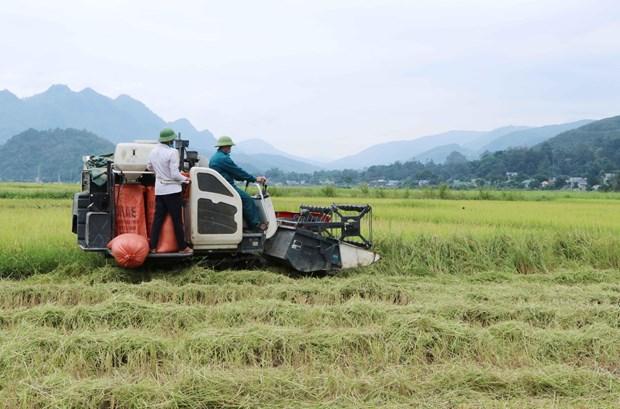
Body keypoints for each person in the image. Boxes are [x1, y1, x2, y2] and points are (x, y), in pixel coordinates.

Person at [147, 128, 193, 254]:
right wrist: (186, 180)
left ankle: (152, 246)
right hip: (172, 191)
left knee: (158, 219)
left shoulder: (153, 152)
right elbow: (174, 174)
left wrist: (160, 173)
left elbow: (149, 167)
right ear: (170, 140)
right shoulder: (172, 152)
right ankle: (183, 247)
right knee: (176, 220)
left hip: (160, 190)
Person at [209, 136, 268, 231]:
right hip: (227, 187)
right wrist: (255, 179)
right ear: (225, 147)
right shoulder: (223, 159)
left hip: (221, 186)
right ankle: (256, 225)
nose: (230, 148)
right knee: (247, 200)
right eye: (229, 146)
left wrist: (246, 178)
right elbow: (238, 171)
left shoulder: (216, 157)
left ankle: (246, 223)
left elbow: (233, 173)